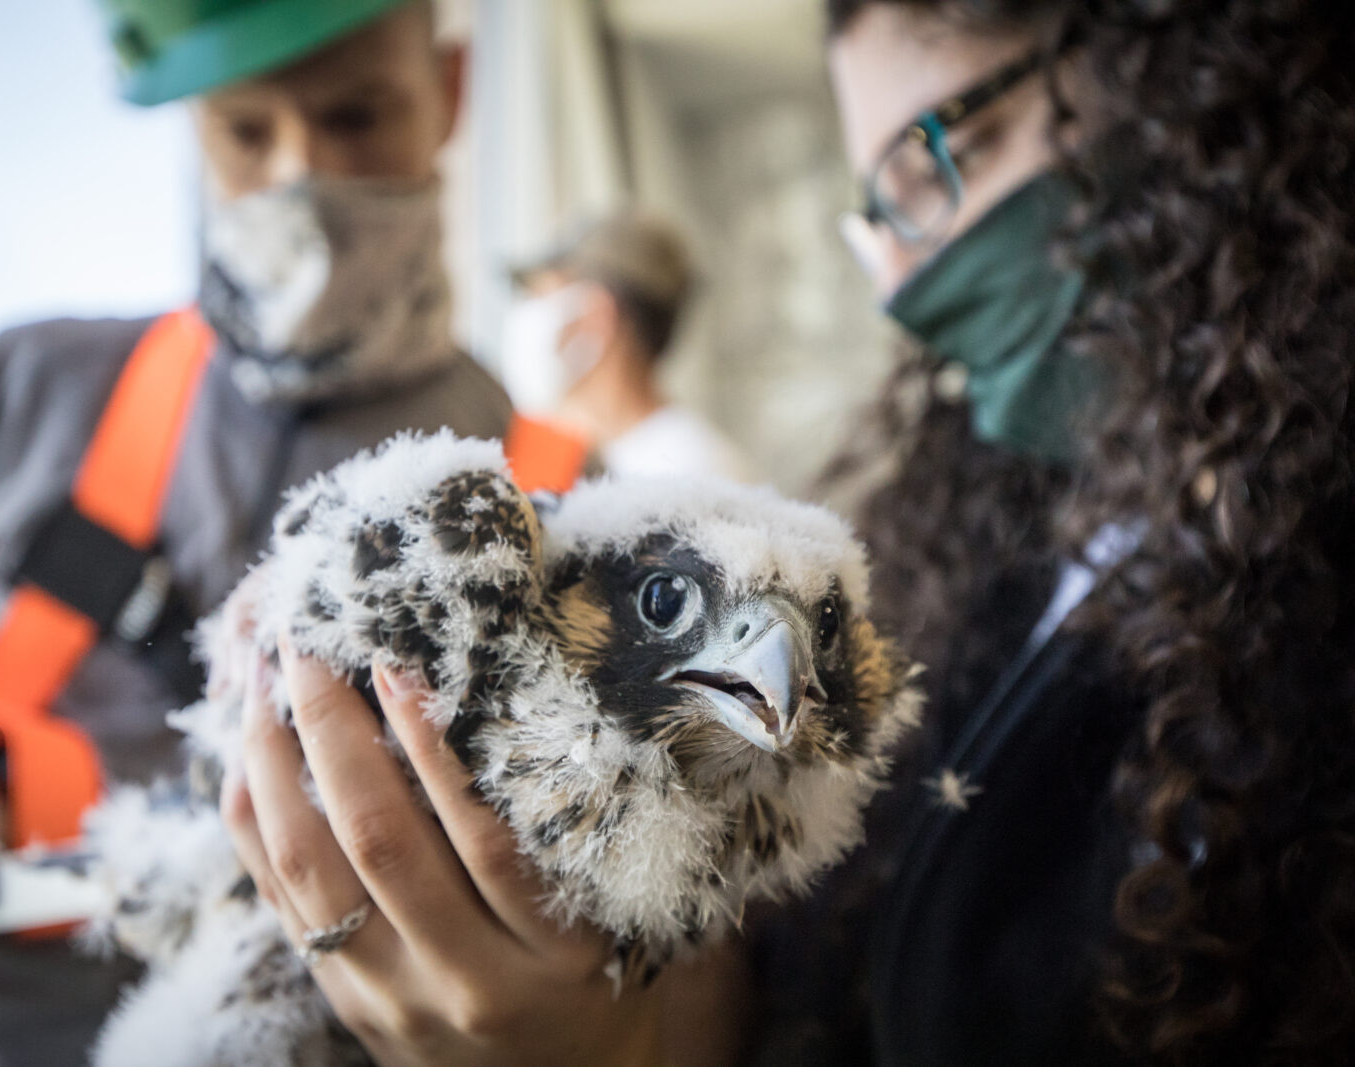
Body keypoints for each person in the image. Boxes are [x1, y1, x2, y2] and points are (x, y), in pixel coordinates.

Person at [221, 0, 1355, 1064]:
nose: (904, 278)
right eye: (882, 211)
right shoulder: (1005, 540)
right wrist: (634, 1003)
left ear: (1192, 84)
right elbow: (816, 968)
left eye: (938, 161)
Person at [0, 1, 516, 1063]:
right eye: (247, 132)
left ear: (451, 92)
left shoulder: (554, 505)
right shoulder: (30, 396)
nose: (301, 175)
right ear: (195, 127)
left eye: (357, 116)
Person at [502, 210, 754, 482]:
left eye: (542, 296)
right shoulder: (542, 451)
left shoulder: (696, 474)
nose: (527, 315)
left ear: (598, 315)